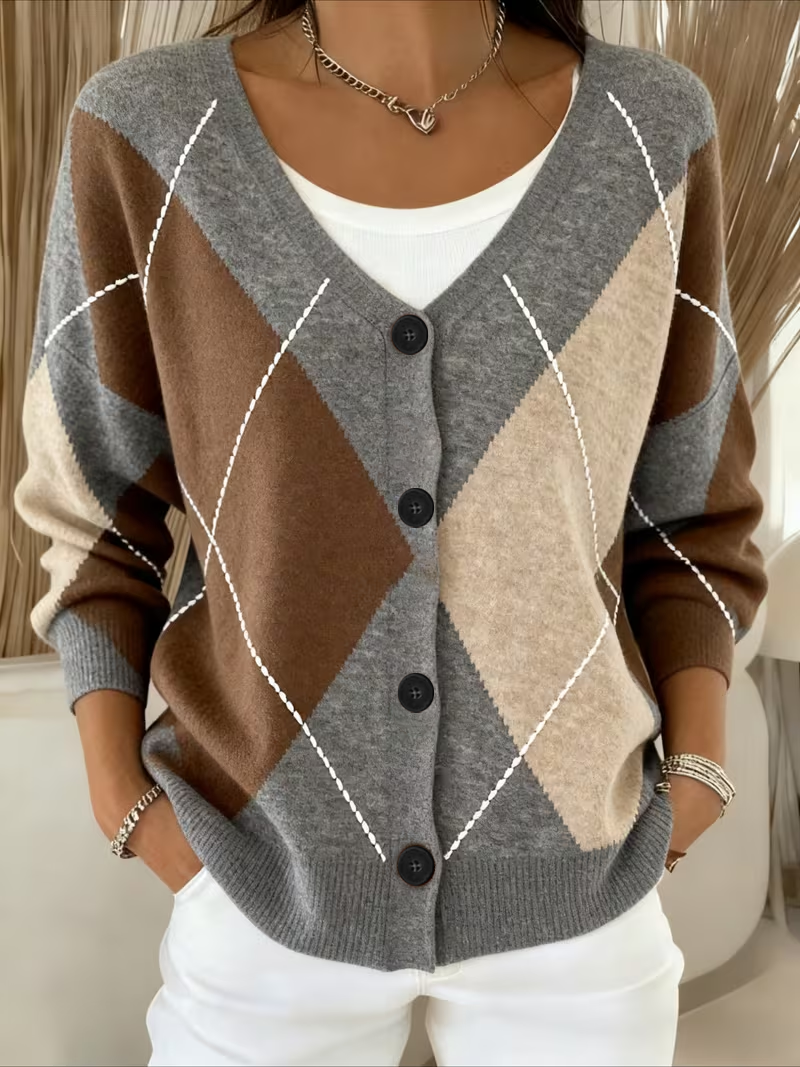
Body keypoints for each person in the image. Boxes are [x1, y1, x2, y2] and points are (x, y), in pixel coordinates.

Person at [14, 1, 768, 1064]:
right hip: (259, 892)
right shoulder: (150, 134)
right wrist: (126, 804)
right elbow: (94, 512)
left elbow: (689, 513)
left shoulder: (648, 131)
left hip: (578, 907)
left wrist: (696, 777)